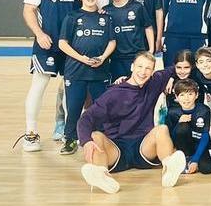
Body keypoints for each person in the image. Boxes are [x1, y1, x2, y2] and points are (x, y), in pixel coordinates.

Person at [76, 52, 186, 194]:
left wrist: (171, 77)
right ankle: (103, 177)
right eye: (140, 67)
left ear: (152, 71)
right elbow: (86, 118)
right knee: (95, 136)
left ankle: (169, 172)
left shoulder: (154, 82)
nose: (143, 72)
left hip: (143, 148)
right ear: (132, 67)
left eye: (148, 68)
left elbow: (179, 67)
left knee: (162, 129)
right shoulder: (114, 93)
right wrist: (86, 141)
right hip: (116, 149)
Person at [17, 0, 81, 152]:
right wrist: (39, 33)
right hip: (47, 43)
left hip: (73, 46)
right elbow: (29, 9)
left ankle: (69, 134)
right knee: (38, 86)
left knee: (71, 91)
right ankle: (31, 133)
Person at [57, 0, 115, 155]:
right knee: (74, 107)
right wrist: (81, 58)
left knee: (101, 108)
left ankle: (101, 138)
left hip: (100, 71)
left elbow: (112, 41)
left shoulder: (106, 18)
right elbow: (62, 43)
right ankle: (70, 139)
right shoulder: (72, 17)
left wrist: (103, 58)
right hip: (76, 71)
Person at [105, 0, 154, 81]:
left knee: (139, 86)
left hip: (137, 56)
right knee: (119, 87)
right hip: (116, 58)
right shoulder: (105, 11)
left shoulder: (137, 7)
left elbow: (148, 27)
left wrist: (151, 49)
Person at [165, 78, 211, 175]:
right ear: (176, 97)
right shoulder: (172, 112)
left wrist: (195, 159)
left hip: (200, 144)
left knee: (207, 169)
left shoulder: (204, 110)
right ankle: (186, 159)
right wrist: (179, 123)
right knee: (182, 127)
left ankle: (193, 160)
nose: (186, 98)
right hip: (185, 147)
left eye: (190, 94)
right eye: (182, 95)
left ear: (196, 95)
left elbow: (205, 136)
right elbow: (171, 137)